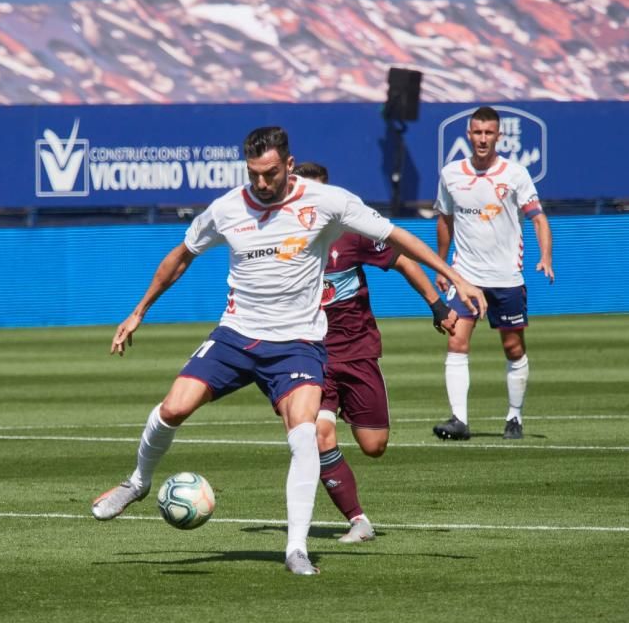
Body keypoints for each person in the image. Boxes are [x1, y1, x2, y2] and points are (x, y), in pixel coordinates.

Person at [91, 126, 486, 575]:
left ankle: (295, 549)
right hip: (236, 335)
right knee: (172, 409)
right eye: (254, 174)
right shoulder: (226, 208)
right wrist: (139, 311)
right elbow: (182, 255)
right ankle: (138, 481)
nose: (262, 183)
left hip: (297, 344)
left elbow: (397, 238)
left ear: (289, 165)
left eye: (271, 173)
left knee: (303, 434)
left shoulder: (326, 202)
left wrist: (456, 279)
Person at [293, 162, 457, 543]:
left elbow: (402, 260)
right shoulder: (283, 241)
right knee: (318, 435)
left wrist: (437, 306)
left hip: (356, 351)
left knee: (374, 445)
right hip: (309, 357)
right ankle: (358, 520)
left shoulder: (352, 232)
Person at [431, 106, 554, 441]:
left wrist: (545, 256)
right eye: (477, 132)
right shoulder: (451, 173)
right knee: (456, 340)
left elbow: (538, 218)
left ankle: (514, 417)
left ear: (498, 136)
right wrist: (442, 266)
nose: (482, 138)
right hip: (465, 276)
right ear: (468, 135)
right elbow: (445, 219)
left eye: (488, 133)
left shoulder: (515, 174)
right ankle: (459, 420)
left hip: (506, 278)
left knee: (513, 347)